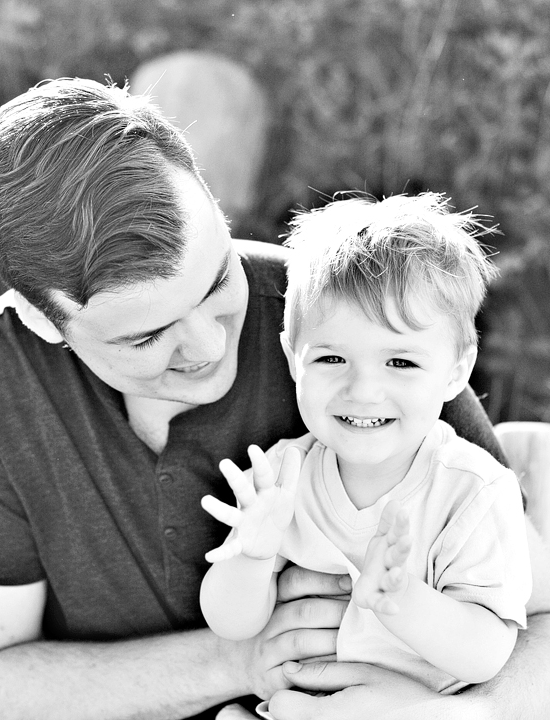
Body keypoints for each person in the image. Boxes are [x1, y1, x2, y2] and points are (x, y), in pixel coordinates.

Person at [0, 77, 550, 720]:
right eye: (145, 338)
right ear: (45, 320)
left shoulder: (344, 319)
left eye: (216, 283)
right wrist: (237, 661)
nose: (209, 346)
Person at [200, 194, 531, 709]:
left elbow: (487, 652)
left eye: (400, 362)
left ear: (457, 372)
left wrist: (402, 599)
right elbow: (232, 624)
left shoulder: (471, 491)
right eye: (332, 358)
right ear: (293, 359)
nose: (364, 390)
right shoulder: (283, 474)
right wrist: (251, 555)